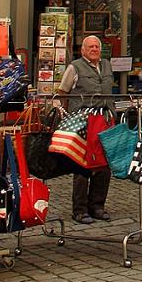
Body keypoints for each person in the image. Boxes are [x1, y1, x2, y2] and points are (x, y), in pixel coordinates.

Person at [57, 35, 114, 225]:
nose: (94, 49)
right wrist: (67, 116)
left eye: (97, 46)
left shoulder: (106, 65)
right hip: (82, 121)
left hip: (104, 119)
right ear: (83, 50)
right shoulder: (74, 67)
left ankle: (97, 205)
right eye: (90, 46)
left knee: (105, 165)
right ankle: (80, 210)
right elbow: (63, 92)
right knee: (82, 165)